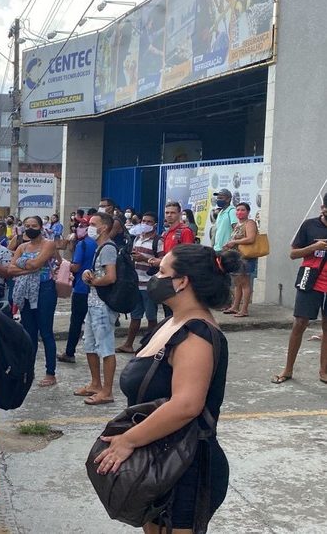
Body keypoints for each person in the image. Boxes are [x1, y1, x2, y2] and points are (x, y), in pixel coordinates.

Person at [94, 244, 239, 532]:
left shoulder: (197, 334)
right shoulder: (169, 324)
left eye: (162, 271)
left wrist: (129, 440)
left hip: (186, 467)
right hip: (157, 460)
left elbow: (186, 405)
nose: (155, 276)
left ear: (182, 281)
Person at [272, 193, 327, 385]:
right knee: (300, 323)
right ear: (323, 209)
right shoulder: (309, 226)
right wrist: (314, 247)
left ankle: (324, 371)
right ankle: (288, 369)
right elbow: (293, 254)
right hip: (310, 281)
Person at [10, 216, 59, 387]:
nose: (30, 228)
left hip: (45, 289)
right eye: (27, 226)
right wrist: (29, 267)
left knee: (46, 332)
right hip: (24, 292)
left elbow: (37, 263)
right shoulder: (22, 246)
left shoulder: (48, 244)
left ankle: (50, 373)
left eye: (34, 225)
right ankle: (28, 371)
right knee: (29, 333)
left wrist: (23, 265)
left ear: (40, 227)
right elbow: (10, 269)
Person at [76, 212, 119, 405]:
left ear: (103, 228)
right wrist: (89, 274)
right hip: (93, 303)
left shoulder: (108, 248)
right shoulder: (98, 247)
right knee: (89, 344)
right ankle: (95, 383)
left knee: (106, 347)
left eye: (93, 224)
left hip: (103, 305)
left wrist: (94, 282)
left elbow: (110, 277)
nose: (89, 227)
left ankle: (107, 391)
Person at [118, 212, 162, 354]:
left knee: (151, 317)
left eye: (149, 222)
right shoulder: (136, 238)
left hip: (150, 284)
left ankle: (151, 346)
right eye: (144, 221)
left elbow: (162, 262)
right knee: (135, 316)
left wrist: (144, 259)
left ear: (155, 224)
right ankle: (128, 344)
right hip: (136, 283)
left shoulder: (158, 241)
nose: (145, 224)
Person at [58, 218, 96, 364]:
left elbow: (75, 267)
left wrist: (63, 264)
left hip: (81, 288)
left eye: (82, 226)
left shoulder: (83, 244)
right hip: (95, 289)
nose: (78, 229)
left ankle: (69, 352)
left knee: (76, 322)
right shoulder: (98, 244)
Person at [223, 202, 259, 317]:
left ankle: (244, 309)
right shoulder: (238, 224)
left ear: (248, 212)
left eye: (242, 210)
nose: (239, 212)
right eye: (237, 210)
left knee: (245, 283)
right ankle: (235, 306)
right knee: (237, 283)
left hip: (246, 258)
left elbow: (251, 239)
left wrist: (234, 242)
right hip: (237, 257)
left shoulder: (250, 223)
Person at [213, 189, 238, 253]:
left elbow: (237, 230)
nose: (218, 200)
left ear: (228, 199)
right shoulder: (221, 212)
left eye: (221, 198)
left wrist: (230, 245)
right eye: (218, 198)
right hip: (217, 248)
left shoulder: (232, 211)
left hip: (227, 249)